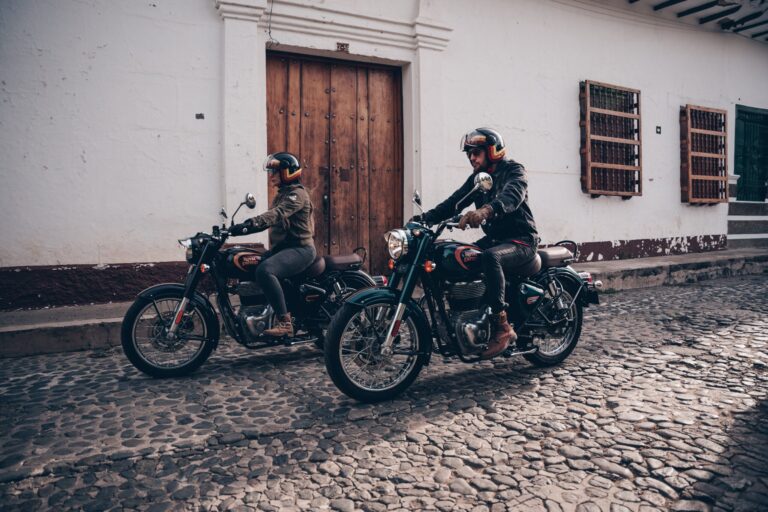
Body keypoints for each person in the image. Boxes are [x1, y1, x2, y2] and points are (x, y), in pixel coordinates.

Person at [415, 128, 539, 359]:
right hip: (494, 239)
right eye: (469, 154)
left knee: (491, 257)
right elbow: (454, 203)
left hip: (521, 240)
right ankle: (463, 316)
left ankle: (502, 326)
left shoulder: (514, 170)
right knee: (456, 253)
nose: (472, 158)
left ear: (492, 151)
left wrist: (486, 211)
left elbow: (512, 196)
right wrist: (423, 219)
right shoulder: (478, 179)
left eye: (477, 153)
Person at [230, 152, 316, 338]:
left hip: (301, 249)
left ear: (288, 172)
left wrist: (250, 224)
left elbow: (276, 215)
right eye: (271, 172)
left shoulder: (297, 194)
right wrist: (236, 229)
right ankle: (257, 311)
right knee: (251, 263)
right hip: (283, 249)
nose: (271, 175)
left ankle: (285, 323)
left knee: (265, 271)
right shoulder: (282, 194)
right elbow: (272, 219)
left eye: (275, 171)